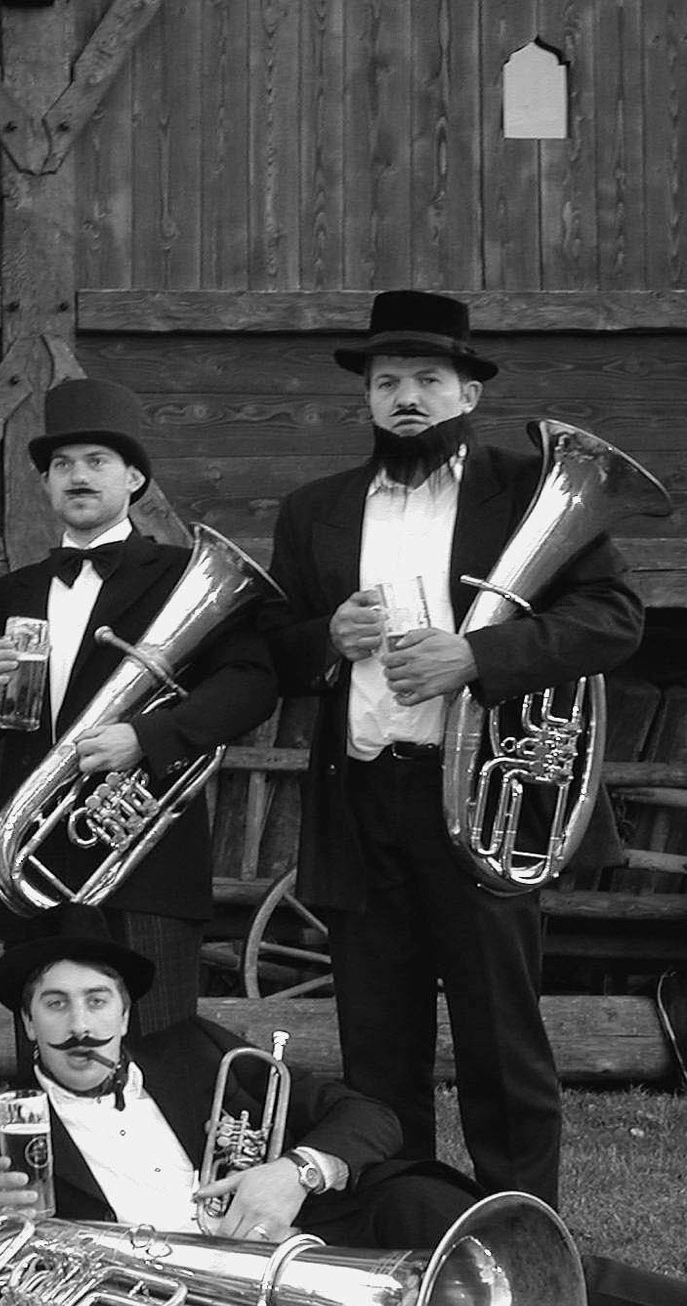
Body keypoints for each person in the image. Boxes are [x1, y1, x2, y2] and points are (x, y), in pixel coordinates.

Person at [0, 935, 687, 1306]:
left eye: (97, 1001)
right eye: (56, 1005)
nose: (80, 1026)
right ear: (28, 1021)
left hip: (344, 1225)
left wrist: (295, 1172)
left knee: (540, 1275)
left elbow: (369, 1117)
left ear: (125, 1013)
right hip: (232, 1300)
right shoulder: (9, 1126)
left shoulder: (195, 1051)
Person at [261, 291, 644, 1207]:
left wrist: (478, 657)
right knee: (376, 1043)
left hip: (482, 798)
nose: (406, 397)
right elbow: (272, 646)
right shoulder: (315, 509)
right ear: (366, 396)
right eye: (387, 381)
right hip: (363, 802)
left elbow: (613, 618)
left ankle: (521, 1226)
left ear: (468, 393)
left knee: (500, 1039)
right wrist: (327, 637)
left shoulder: (526, 489)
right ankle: (407, 1223)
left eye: (428, 379)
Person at [0, 379, 277, 1038]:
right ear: (46, 484)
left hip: (146, 860)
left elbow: (250, 684)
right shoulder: (12, 590)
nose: (77, 476)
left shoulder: (181, 576)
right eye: (61, 465)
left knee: (159, 1048)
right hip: (37, 859)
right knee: (45, 1051)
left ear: (134, 478)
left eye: (97, 461)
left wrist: (146, 737)